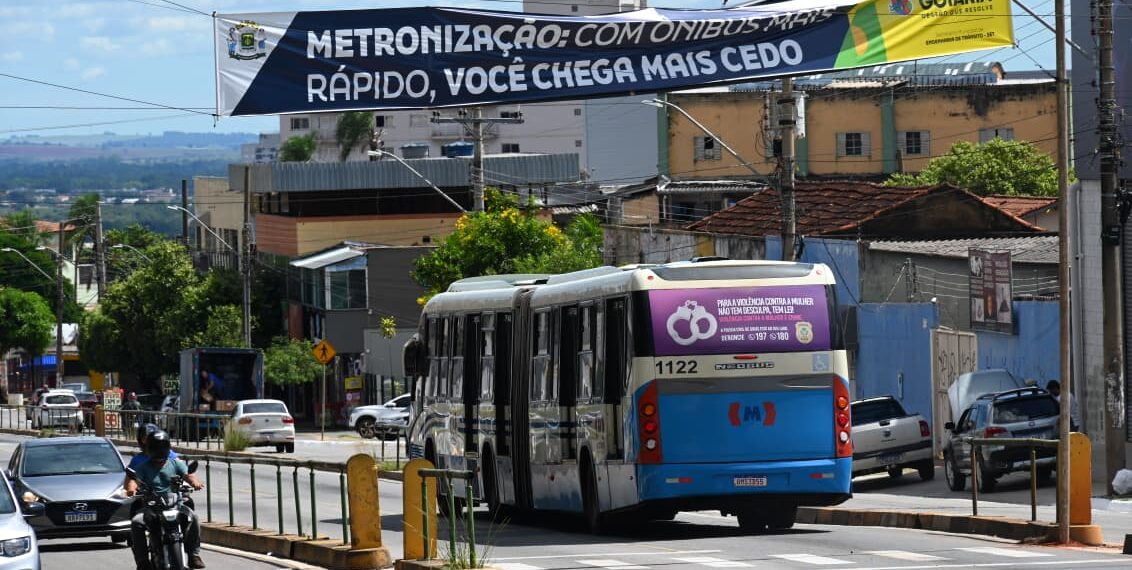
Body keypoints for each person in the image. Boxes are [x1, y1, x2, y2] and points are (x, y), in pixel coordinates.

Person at [125, 431, 205, 570]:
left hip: (175, 506)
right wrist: (131, 489)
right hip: (152, 508)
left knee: (194, 518)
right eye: (156, 447)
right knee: (136, 523)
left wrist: (195, 483)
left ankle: (193, 555)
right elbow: (134, 480)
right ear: (149, 448)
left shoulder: (175, 464)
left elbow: (188, 474)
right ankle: (142, 562)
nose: (159, 451)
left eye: (162, 447)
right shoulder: (143, 467)